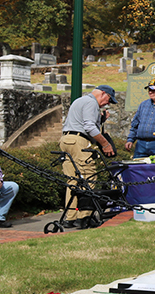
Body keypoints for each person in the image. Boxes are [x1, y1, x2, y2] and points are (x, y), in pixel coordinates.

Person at [60, 85, 117, 229]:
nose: (107, 104)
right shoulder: (92, 103)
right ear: (103, 93)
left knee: (72, 182)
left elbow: (81, 122)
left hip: (66, 140)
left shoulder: (80, 100)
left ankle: (70, 218)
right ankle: (84, 217)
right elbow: (90, 128)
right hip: (80, 142)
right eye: (109, 100)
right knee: (88, 178)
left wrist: (101, 120)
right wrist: (105, 144)